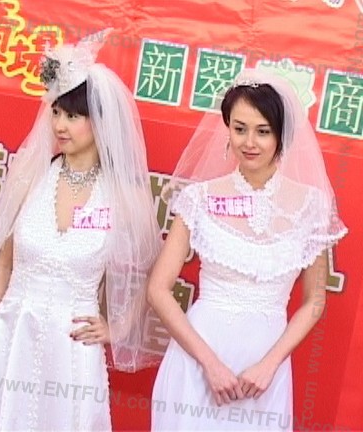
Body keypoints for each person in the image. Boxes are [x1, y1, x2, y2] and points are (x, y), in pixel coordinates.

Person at [0, 29, 161, 431]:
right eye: (57, 112)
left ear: (101, 122)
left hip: (73, 352)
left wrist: (118, 327)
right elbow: (4, 263)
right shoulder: (30, 177)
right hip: (12, 336)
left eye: (74, 116)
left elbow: (151, 268)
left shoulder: (124, 198)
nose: (61, 125)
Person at [148, 68, 347, 431]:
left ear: (282, 134)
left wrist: (270, 364)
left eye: (263, 131)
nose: (249, 142)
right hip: (198, 360)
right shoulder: (199, 198)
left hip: (264, 371)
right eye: (239, 129)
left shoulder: (311, 206)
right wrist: (209, 364)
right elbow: (158, 290)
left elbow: (314, 301)